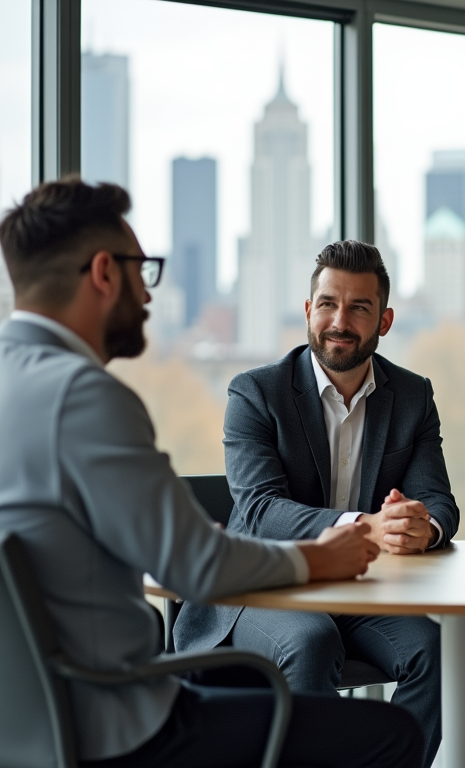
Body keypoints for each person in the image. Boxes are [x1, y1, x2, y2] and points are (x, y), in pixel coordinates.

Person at [0, 177, 422, 768]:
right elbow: (195, 564)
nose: (147, 298)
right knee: (390, 732)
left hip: (28, 729)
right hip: (124, 725)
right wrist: (319, 557)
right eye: (141, 272)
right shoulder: (84, 397)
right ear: (103, 272)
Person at [174, 240, 458, 767]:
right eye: (327, 303)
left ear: (386, 320)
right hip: (260, 590)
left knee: (438, 651)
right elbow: (259, 510)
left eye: (359, 308)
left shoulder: (412, 395)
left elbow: (438, 501)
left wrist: (423, 527)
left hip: (359, 595)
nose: (339, 321)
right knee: (311, 640)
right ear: (308, 310)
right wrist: (365, 528)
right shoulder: (255, 393)